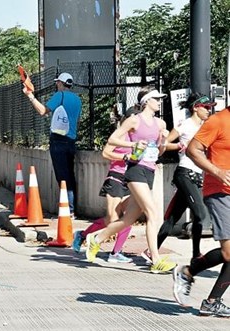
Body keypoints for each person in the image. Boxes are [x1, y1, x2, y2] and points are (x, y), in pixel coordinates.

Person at [85, 86, 177, 273]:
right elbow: (112, 140)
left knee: (129, 219)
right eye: (156, 99)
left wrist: (163, 142)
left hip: (150, 170)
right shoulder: (133, 120)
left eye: (160, 99)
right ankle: (155, 260)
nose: (159, 102)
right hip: (135, 170)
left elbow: (159, 151)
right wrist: (133, 144)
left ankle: (96, 239)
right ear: (146, 102)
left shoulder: (160, 124)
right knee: (153, 213)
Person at [172, 99, 230, 317]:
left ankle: (210, 299)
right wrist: (217, 171)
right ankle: (188, 272)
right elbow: (193, 150)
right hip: (220, 191)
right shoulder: (218, 120)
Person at [72, 106, 140, 263]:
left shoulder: (138, 136)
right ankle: (82, 236)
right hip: (116, 178)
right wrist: (124, 157)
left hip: (131, 179)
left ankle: (116, 253)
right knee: (112, 219)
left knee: (129, 217)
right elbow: (106, 153)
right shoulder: (120, 135)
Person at [150, 93, 213, 264]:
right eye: (206, 107)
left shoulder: (207, 126)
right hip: (184, 173)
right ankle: (196, 254)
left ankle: (152, 250)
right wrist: (178, 145)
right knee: (200, 213)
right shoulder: (184, 125)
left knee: (173, 218)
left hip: (197, 176)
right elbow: (163, 144)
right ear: (195, 108)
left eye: (210, 107)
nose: (209, 110)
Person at [23, 72, 82, 217]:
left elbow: (43, 111)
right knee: (70, 175)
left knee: (62, 176)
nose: (56, 84)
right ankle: (72, 209)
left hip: (58, 140)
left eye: (57, 82)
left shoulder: (59, 95)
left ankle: (67, 210)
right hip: (71, 140)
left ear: (61, 83)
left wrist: (31, 97)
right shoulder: (77, 99)